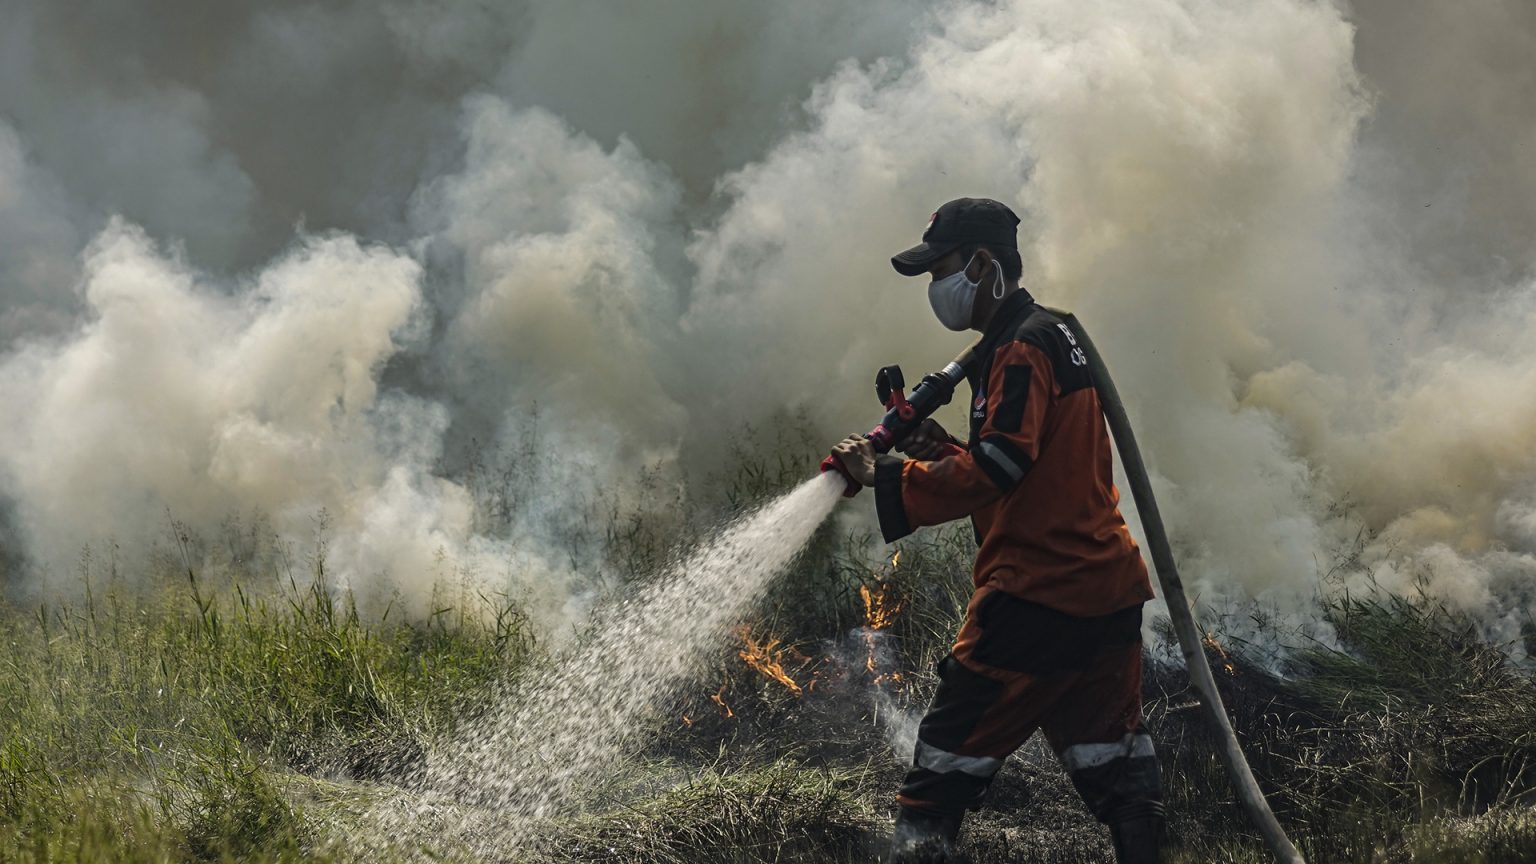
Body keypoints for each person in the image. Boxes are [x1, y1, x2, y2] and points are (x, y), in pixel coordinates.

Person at [828, 198, 1165, 864]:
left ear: (983, 265)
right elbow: (1027, 473)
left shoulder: (1019, 348)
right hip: (1104, 589)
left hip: (1036, 596)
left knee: (939, 775)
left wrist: (885, 475)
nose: (935, 287)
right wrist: (933, 448)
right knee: (1116, 769)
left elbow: (1000, 467)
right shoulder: (1048, 337)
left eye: (941, 270)